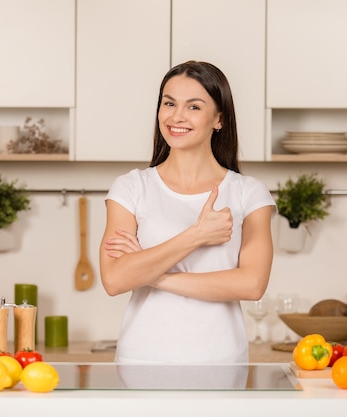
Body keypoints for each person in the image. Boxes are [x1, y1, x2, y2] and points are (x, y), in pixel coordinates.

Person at [99, 60, 276, 364]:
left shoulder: (248, 193)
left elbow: (252, 284)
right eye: (169, 103)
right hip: (142, 360)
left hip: (221, 361)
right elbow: (114, 280)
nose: (176, 116)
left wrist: (151, 275)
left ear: (218, 119)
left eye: (194, 107)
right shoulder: (131, 188)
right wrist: (196, 235)